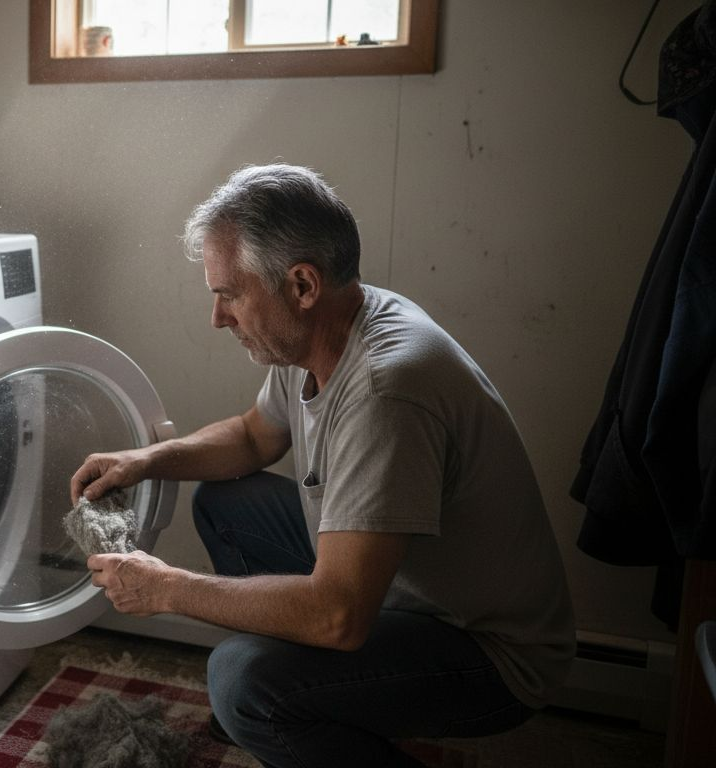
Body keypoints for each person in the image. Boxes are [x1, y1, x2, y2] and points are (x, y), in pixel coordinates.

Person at [70, 164, 575, 767]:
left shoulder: (388, 389)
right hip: (397, 593)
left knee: (238, 681)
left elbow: (339, 616)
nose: (218, 317)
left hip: (486, 652)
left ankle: (281, 705)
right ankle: (308, 709)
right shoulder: (316, 331)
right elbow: (254, 440)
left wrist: (166, 588)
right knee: (228, 503)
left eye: (230, 294)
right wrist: (145, 460)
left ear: (302, 285)